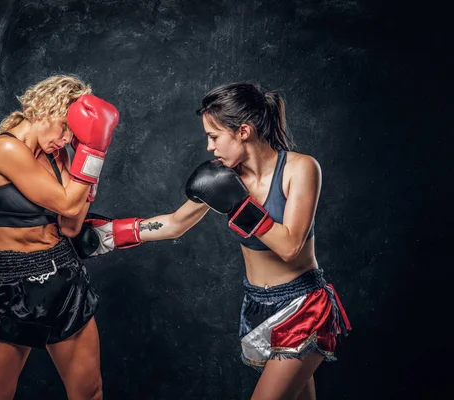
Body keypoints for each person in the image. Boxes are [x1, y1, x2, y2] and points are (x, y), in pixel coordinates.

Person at [72, 82, 351, 400]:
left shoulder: (300, 169)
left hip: (303, 307)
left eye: (214, 136)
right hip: (258, 306)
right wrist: (107, 236)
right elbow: (176, 223)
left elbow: (290, 246)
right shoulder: (224, 176)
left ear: (243, 131)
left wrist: (240, 205)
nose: (209, 147)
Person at [0, 74, 119, 400]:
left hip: (65, 280)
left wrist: (84, 161)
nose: (67, 138)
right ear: (45, 109)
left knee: (90, 392)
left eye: (75, 133)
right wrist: (94, 153)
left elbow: (71, 224)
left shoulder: (59, 156)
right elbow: (68, 201)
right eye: (65, 127)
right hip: (18, 285)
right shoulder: (2, 149)